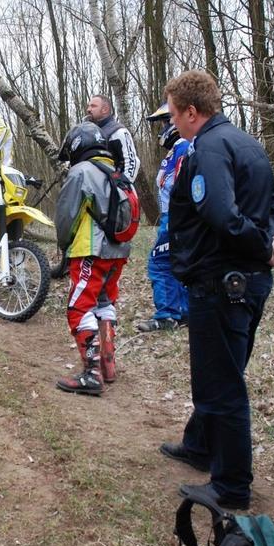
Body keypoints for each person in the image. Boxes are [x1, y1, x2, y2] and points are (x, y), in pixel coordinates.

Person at [159, 70, 274, 511]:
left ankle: (232, 486)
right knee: (223, 372)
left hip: (222, 284)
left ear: (192, 112)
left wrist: (262, 244)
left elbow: (221, 212)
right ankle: (200, 446)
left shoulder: (211, 148)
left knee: (222, 385)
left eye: (175, 115)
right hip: (248, 281)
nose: (172, 124)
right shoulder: (248, 143)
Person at [54, 122, 133, 396]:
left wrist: (62, 245)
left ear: (77, 145)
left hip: (91, 249)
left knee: (79, 308)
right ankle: (108, 366)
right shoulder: (116, 172)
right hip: (119, 252)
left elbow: (66, 216)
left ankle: (91, 373)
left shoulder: (81, 172)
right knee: (104, 302)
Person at [137, 103, 190, 331]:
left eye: (164, 122)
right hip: (176, 216)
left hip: (178, 217)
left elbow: (182, 184)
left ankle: (168, 315)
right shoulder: (178, 148)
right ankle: (183, 312)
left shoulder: (184, 147)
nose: (161, 129)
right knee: (177, 263)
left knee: (160, 263)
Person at [85, 94, 141, 184]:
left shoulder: (119, 131)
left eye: (93, 106)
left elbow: (132, 162)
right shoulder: (89, 133)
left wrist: (123, 187)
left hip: (115, 190)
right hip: (96, 189)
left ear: (105, 109)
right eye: (88, 106)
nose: (88, 110)